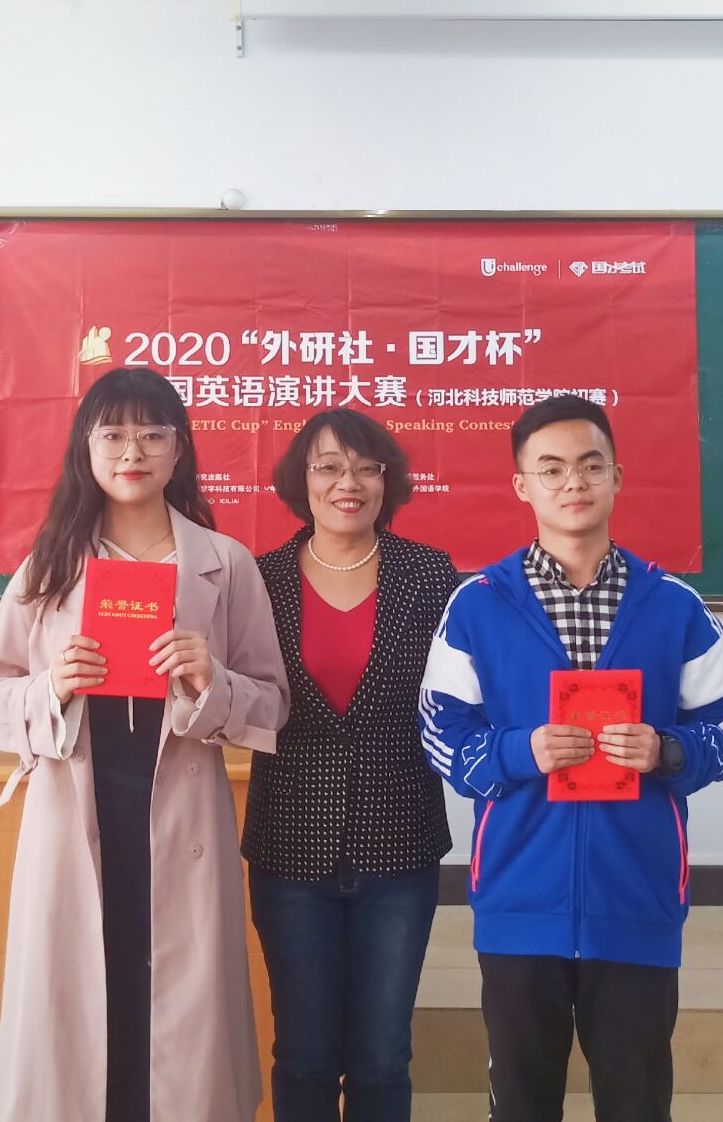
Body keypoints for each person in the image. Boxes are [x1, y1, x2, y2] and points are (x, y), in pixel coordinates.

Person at [0, 366, 290, 1122]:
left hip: (181, 825)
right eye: (112, 434)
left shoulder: (225, 563)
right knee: (81, 1016)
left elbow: (272, 703)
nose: (132, 451)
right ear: (86, 448)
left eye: (151, 434)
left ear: (179, 449)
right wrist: (50, 687)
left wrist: (211, 681)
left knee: (175, 1025)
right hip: (78, 820)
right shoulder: (50, 564)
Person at [418, 394, 723, 1122]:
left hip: (636, 897)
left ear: (616, 477)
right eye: (551, 469)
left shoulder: (673, 605)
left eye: (590, 465)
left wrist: (668, 749)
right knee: (521, 1104)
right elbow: (441, 732)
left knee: (636, 1104)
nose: (572, 482)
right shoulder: (478, 605)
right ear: (522, 485)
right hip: (518, 898)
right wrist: (520, 750)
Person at [244, 409, 460, 1122]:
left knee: (381, 1055)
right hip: (289, 848)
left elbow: (463, 693)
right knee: (303, 1054)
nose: (350, 482)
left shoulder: (430, 575)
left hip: (400, 842)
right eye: (330, 466)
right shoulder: (259, 580)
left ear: (387, 482)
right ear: (300, 480)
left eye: (368, 468)